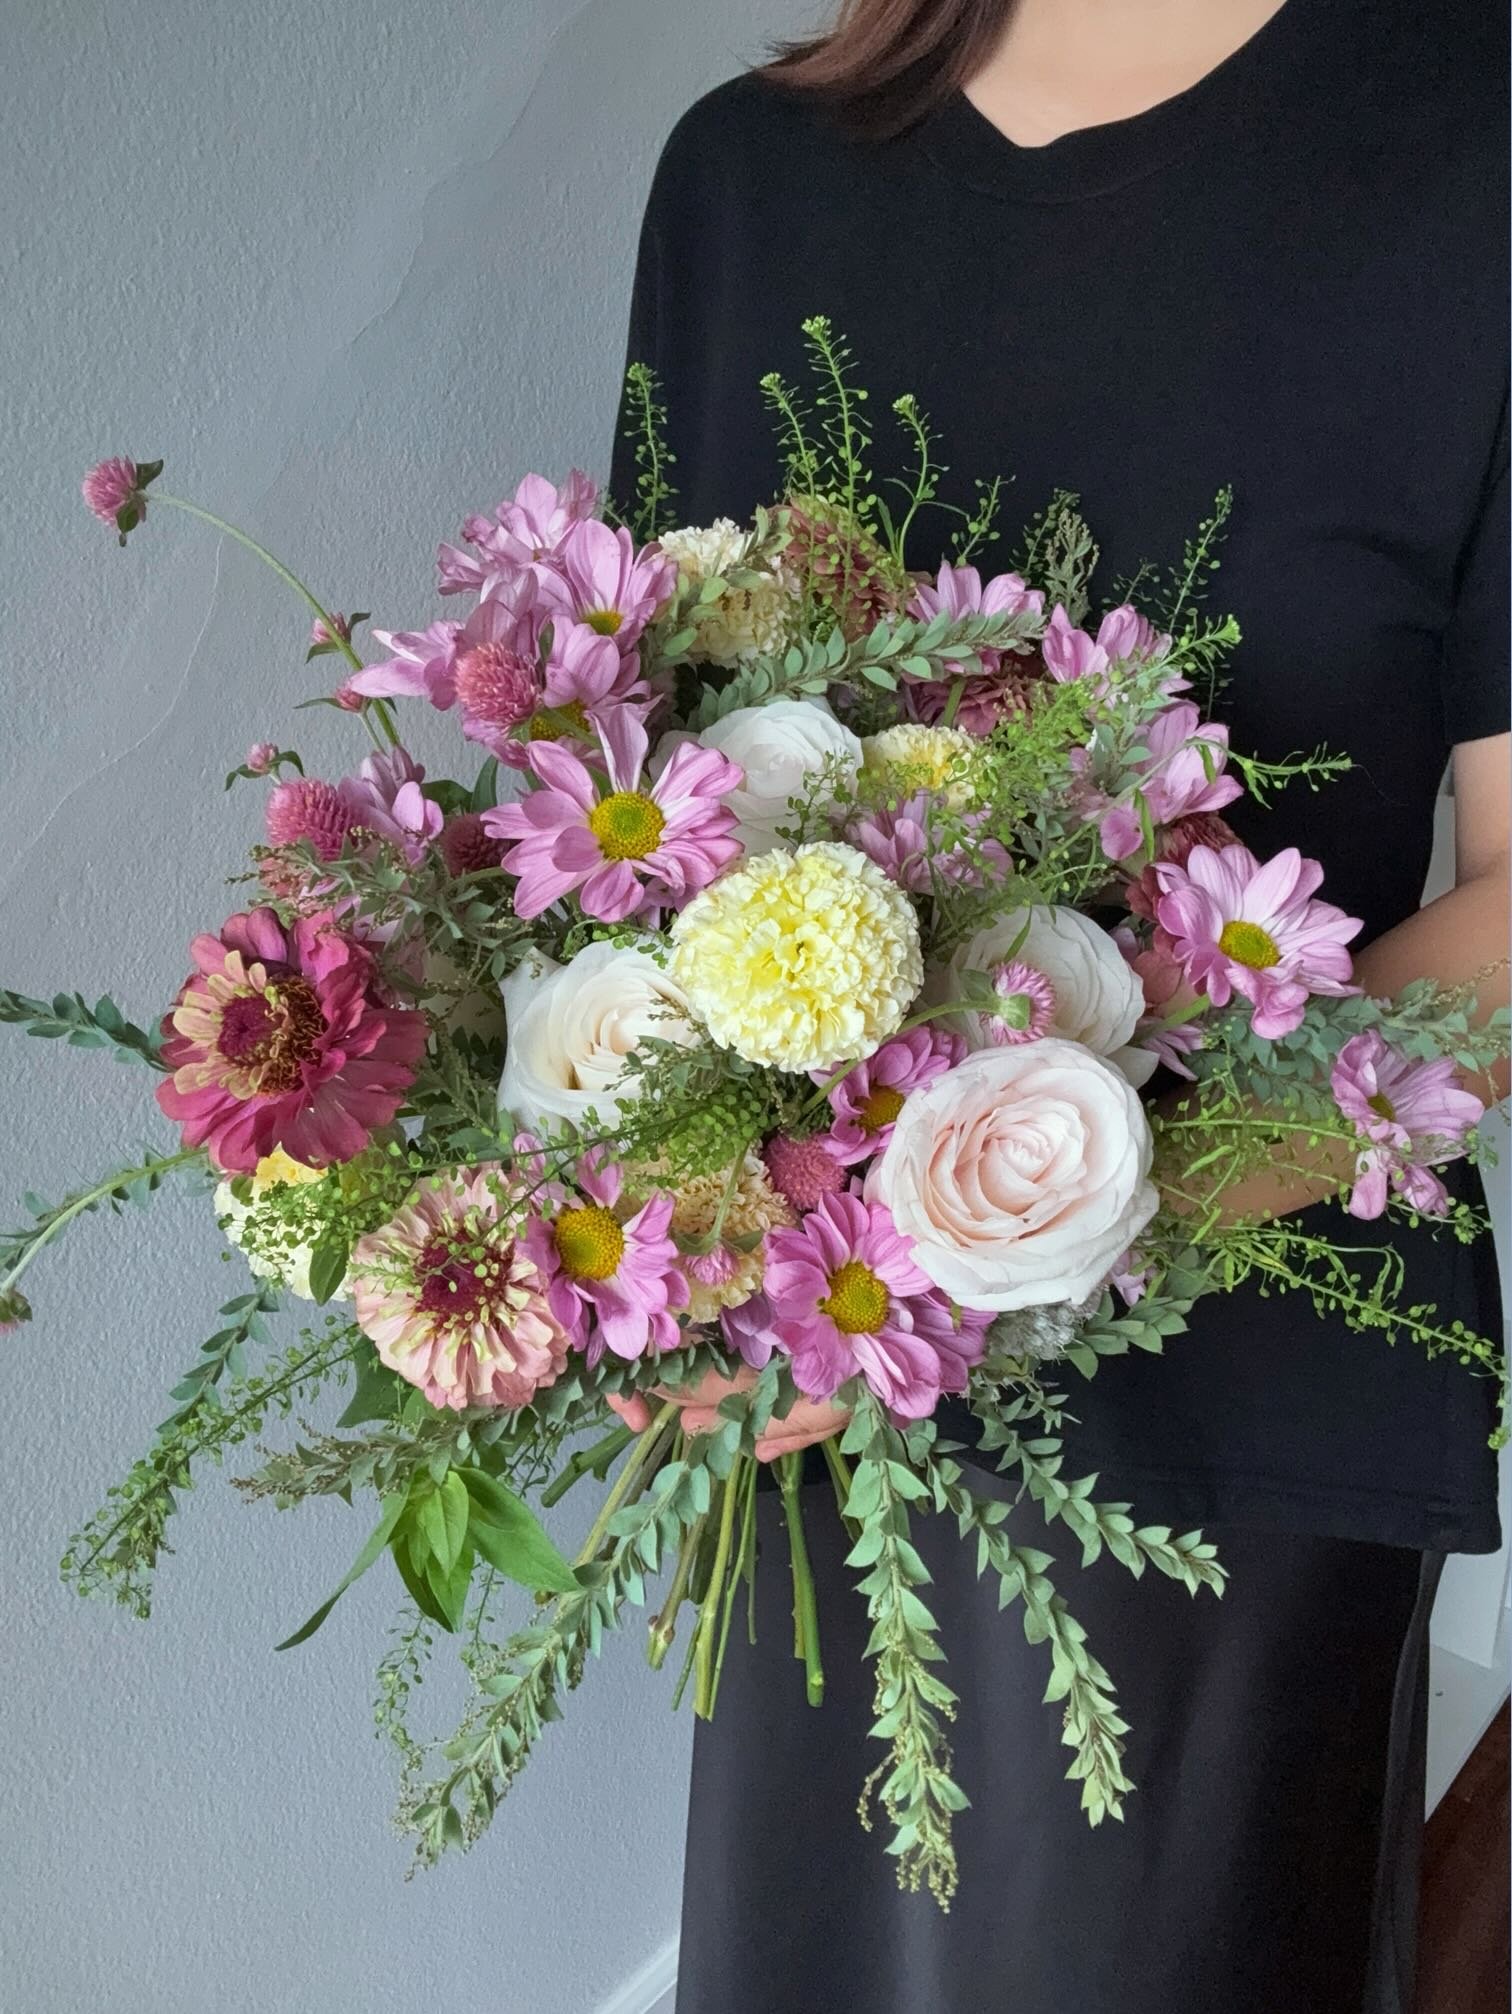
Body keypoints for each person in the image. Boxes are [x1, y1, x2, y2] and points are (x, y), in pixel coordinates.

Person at [607, 3, 1510, 2008]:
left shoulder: (1477, 136)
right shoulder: (748, 180)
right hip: (819, 1414)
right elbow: (654, 818)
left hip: (1249, 1407)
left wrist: (1005, 1215)